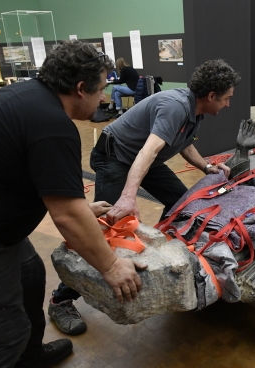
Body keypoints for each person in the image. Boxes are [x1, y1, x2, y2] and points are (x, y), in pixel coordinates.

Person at [0, 40, 147, 367]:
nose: (103, 97)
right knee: (0, 339)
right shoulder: (51, 124)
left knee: (30, 274)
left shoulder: (29, 97)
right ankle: (16, 351)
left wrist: (81, 210)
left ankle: (29, 358)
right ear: (81, 88)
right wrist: (111, 266)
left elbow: (55, 193)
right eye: (101, 89)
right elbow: (66, 215)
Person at [47, 59, 240, 334]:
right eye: (227, 99)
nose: (228, 104)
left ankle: (153, 249)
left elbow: (182, 145)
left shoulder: (194, 112)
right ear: (211, 96)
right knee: (107, 228)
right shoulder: (175, 107)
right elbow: (147, 152)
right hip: (115, 157)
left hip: (138, 158)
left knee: (182, 203)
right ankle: (61, 300)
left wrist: (207, 168)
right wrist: (128, 197)